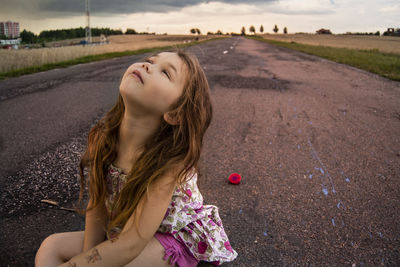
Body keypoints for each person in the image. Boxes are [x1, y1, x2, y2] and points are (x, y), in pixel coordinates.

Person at [35, 49, 238, 267]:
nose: (147, 66)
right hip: (124, 233)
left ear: (175, 113)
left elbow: (131, 244)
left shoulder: (168, 163)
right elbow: (97, 207)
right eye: (150, 60)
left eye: (165, 73)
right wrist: (88, 257)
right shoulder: (102, 138)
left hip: (171, 237)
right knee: (51, 246)